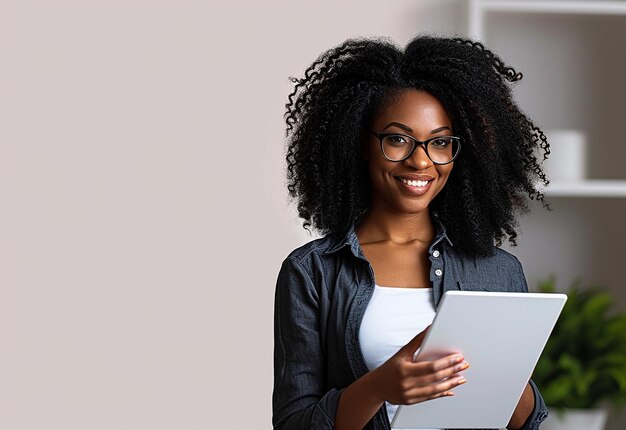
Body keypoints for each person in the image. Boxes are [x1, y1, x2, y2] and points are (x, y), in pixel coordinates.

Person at [272, 34, 551, 430]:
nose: (421, 161)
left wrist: (501, 370)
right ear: (362, 143)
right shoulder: (313, 271)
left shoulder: (498, 271)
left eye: (439, 143)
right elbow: (293, 424)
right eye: (398, 139)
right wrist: (378, 386)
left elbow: (526, 421)